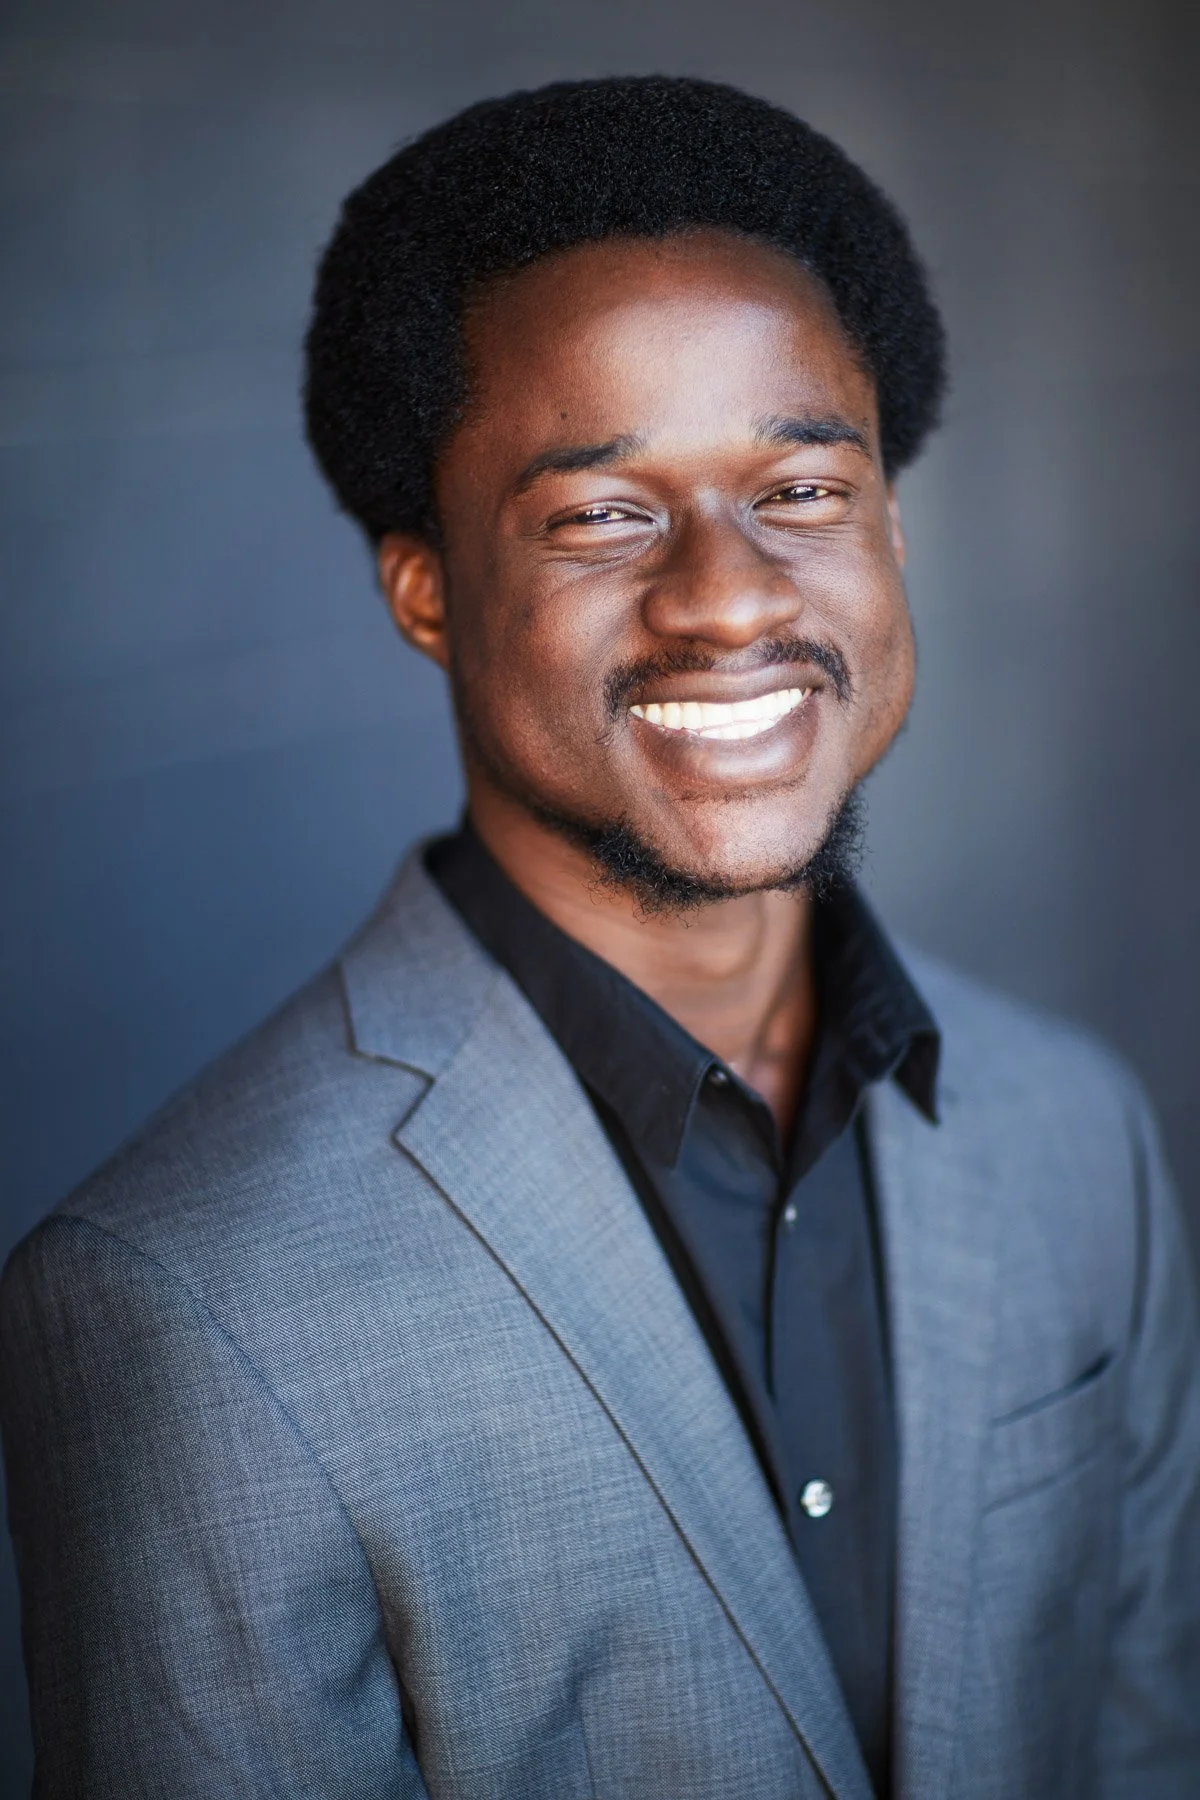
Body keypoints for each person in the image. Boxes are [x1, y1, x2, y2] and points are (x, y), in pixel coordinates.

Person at [2, 75, 1197, 1800]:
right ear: (423, 590)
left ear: (889, 532)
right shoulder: (185, 1306)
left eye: (800, 489)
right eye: (602, 514)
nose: (728, 592)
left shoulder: (1080, 1133)